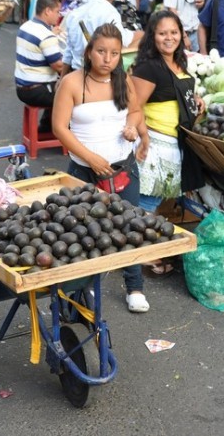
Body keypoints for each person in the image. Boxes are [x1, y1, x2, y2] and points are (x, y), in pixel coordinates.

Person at [52, 23, 150, 313]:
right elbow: (59, 127)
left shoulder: (123, 80)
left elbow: (134, 111)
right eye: (101, 52)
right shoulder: (71, 83)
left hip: (123, 169)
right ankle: (76, 294)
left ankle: (135, 287)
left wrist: (133, 128)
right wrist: (90, 157)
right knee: (79, 234)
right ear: (89, 52)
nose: (108, 59)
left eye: (115, 53)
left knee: (131, 225)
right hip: (83, 172)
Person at [130, 10, 204, 275]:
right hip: (156, 144)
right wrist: (144, 138)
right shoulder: (149, 67)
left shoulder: (179, 62)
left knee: (154, 200)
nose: (169, 38)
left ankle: (140, 249)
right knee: (147, 202)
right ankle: (138, 255)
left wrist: (196, 102)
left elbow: (181, 94)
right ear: (153, 36)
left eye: (174, 32)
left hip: (175, 144)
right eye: (162, 33)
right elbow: (133, 106)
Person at [61, 0, 143, 75]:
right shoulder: (110, 13)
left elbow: (68, 50)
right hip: (97, 74)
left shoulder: (74, 14)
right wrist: (140, 34)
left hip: (76, 72)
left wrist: (63, 77)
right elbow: (122, 40)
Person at [15, 0, 63, 132]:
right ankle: (64, 132)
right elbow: (58, 66)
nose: (59, 15)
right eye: (57, 11)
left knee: (58, 85)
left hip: (21, 88)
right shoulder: (46, 36)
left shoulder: (26, 26)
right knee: (71, 92)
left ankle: (46, 126)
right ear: (47, 11)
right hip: (37, 91)